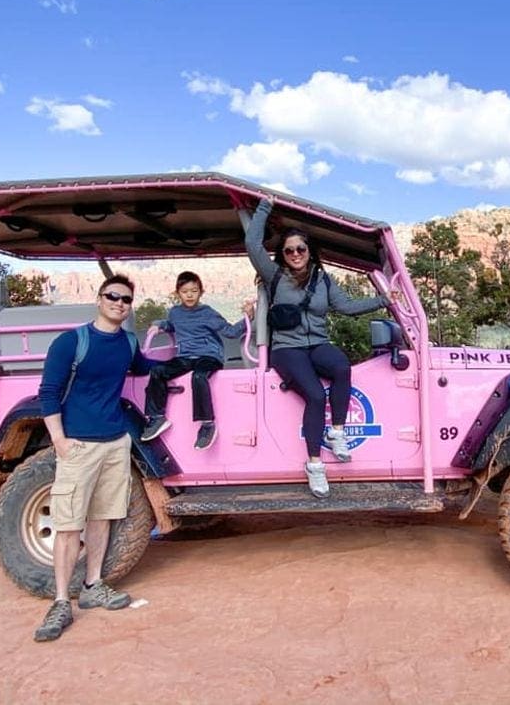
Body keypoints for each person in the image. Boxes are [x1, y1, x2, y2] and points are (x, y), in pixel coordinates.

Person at [33, 274, 158, 643]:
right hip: (79, 444)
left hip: (115, 442)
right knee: (70, 525)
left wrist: (190, 359)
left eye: (125, 300)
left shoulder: (128, 343)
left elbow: (145, 367)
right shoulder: (72, 341)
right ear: (99, 299)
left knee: (102, 518)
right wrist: (58, 439)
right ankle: (59, 601)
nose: (119, 303)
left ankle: (93, 585)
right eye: (113, 296)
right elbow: (49, 391)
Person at [246, 198, 397, 499]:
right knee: (315, 395)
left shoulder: (323, 280)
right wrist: (263, 207)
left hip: (316, 343)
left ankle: (337, 431)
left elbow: (347, 307)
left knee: (341, 366)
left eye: (300, 249)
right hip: (286, 348)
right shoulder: (273, 274)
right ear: (283, 254)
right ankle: (315, 464)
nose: (295, 254)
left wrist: (385, 301)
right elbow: (252, 243)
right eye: (289, 250)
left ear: (309, 250)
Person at [140, 271, 254, 449]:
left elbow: (230, 332)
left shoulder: (207, 313)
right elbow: (171, 325)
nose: (190, 295)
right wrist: (158, 324)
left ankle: (207, 424)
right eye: (185, 291)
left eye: (194, 291)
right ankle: (157, 418)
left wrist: (249, 317)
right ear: (178, 293)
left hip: (209, 356)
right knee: (157, 371)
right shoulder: (175, 312)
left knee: (199, 376)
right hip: (185, 357)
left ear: (201, 292)